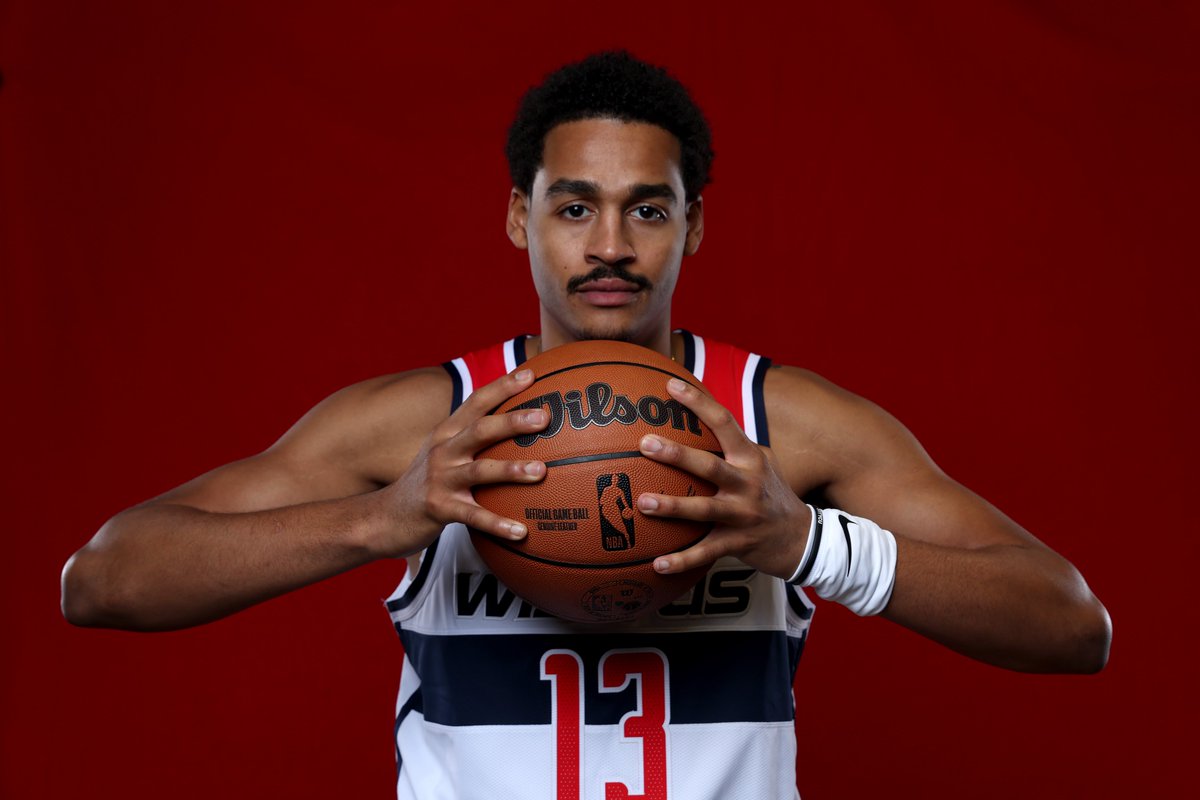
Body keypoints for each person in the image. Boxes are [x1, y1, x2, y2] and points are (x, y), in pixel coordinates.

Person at [61, 52, 1111, 799]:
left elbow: (1072, 624)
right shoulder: (428, 423)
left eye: (647, 209)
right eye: (574, 207)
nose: (609, 244)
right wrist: (380, 517)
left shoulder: (779, 424)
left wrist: (806, 544)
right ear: (521, 216)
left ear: (692, 224)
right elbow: (105, 579)